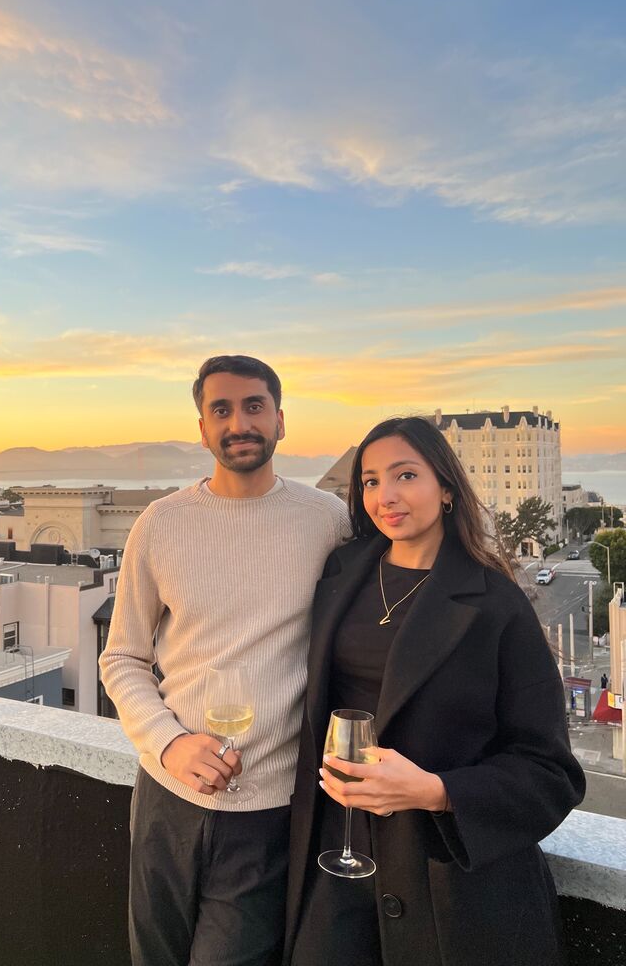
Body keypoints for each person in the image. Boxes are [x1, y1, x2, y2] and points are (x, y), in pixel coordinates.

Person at [284, 416, 585, 966]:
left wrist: (436, 791)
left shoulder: (495, 603)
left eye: (405, 475)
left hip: (451, 883)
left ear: (445, 488)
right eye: (370, 481)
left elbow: (552, 773)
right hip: (337, 857)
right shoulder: (340, 573)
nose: (385, 495)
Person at [99, 354, 350, 966]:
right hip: (165, 796)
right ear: (203, 428)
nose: (239, 422)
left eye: (254, 406)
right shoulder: (160, 525)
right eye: (221, 410)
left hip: (268, 811)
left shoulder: (327, 521)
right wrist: (169, 743)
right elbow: (123, 658)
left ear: (281, 421)